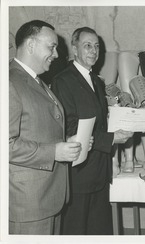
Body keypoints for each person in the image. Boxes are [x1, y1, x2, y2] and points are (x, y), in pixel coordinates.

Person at [51, 27, 133, 235]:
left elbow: (100, 124)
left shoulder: (97, 80)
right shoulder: (63, 81)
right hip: (78, 174)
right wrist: (111, 138)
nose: (93, 51)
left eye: (96, 46)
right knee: (77, 231)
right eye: (87, 45)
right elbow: (68, 128)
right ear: (75, 48)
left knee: (100, 231)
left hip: (99, 172)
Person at [9, 20, 82, 235]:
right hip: (28, 204)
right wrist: (54, 151)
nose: (57, 54)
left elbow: (37, 128)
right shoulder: (10, 83)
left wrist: (67, 143)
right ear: (31, 45)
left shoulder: (35, 81)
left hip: (47, 198)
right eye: (51, 47)